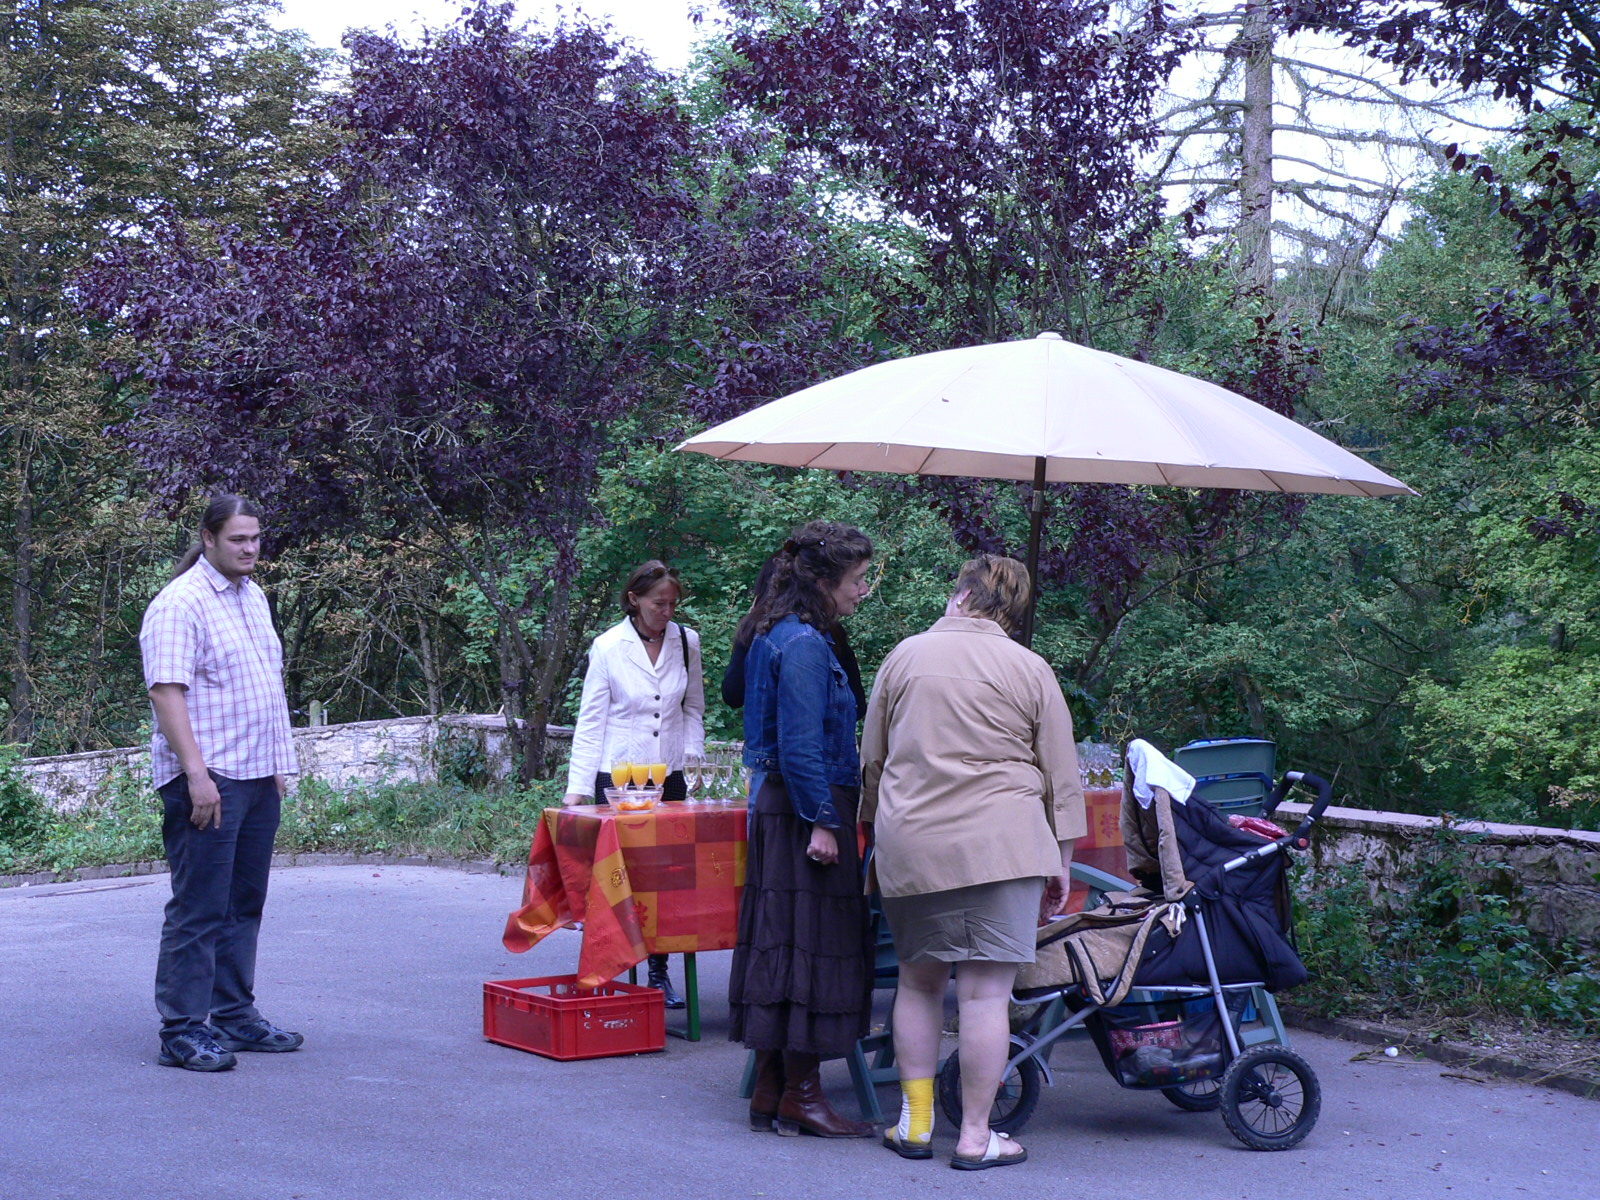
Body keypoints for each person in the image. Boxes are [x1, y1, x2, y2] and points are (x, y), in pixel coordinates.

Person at [859, 555, 1085, 1169]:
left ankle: (915, 1122)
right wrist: (1060, 857)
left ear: (961, 595)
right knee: (986, 996)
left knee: (918, 981)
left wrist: (872, 832)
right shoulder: (1030, 667)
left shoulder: (902, 656)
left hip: (912, 842)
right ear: (1010, 612)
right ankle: (976, 1136)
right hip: (1002, 845)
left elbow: (873, 763)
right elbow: (1061, 777)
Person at [140, 495, 302, 1072]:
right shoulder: (179, 604)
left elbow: (261, 684)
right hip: (210, 780)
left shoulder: (252, 596)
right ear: (207, 538)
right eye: (238, 539)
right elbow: (166, 691)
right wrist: (196, 775)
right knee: (200, 906)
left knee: (244, 903)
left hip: (258, 775)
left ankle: (234, 1016)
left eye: (256, 538)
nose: (251, 548)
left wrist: (278, 762)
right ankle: (182, 1030)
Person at [728, 520, 877, 1139]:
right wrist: (823, 821)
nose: (863, 591)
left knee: (784, 947)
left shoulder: (774, 633)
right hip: (806, 811)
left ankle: (773, 1089)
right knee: (816, 949)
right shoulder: (808, 645)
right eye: (857, 580)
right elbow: (798, 744)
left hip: (784, 810)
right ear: (822, 582)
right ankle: (803, 1095)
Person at [562, 559, 705, 1007]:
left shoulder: (687, 641)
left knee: (668, 882)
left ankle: (660, 974)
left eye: (672, 603)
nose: (667, 610)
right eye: (659, 603)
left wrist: (693, 758)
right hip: (620, 779)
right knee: (619, 880)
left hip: (671, 776)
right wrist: (576, 792)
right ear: (634, 600)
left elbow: (693, 708)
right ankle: (615, 972)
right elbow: (591, 722)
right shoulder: (607, 646)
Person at [722, 554, 866, 717]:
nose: (864, 589)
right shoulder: (813, 633)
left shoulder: (826, 632)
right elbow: (733, 694)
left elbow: (857, 705)